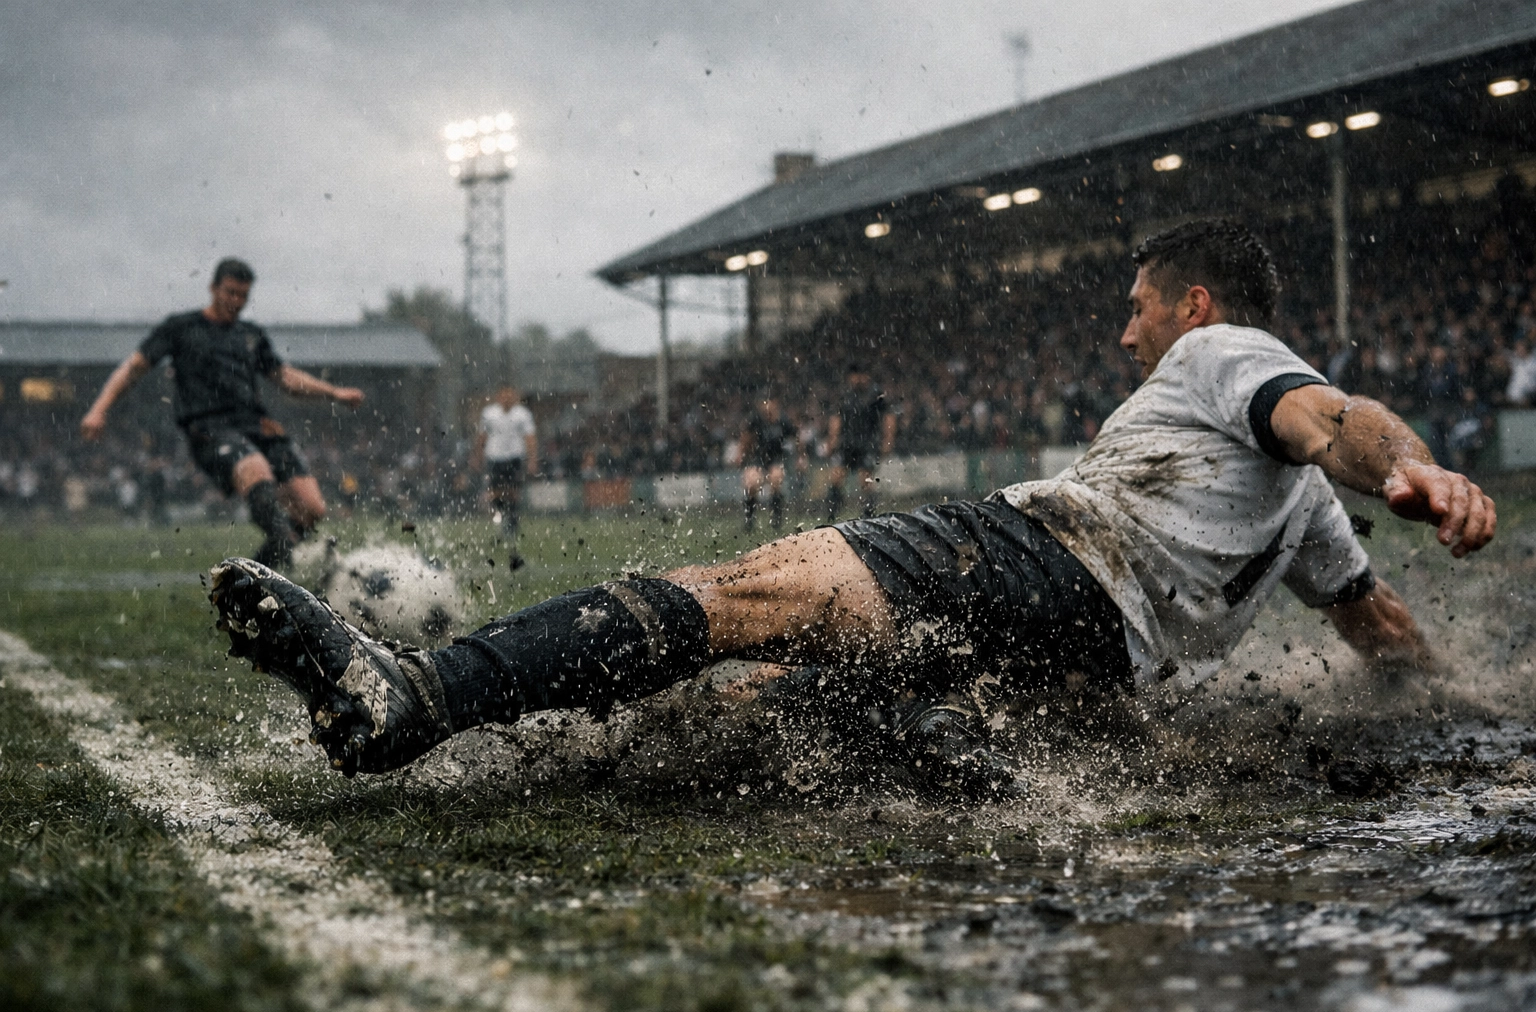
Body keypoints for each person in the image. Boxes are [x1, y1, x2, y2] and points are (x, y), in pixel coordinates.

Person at [207, 219, 1494, 783]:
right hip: (1093, 667)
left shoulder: (1224, 358)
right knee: (769, 711)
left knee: (742, 595)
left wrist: (1412, 467)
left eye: (1140, 307)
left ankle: (414, 701)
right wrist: (1461, 695)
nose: (1127, 332)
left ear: (1197, 308)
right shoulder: (1306, 515)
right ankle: (929, 745)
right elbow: (1379, 626)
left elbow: (1334, 420)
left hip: (1033, 558)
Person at [82, 258, 363, 567]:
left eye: (243, 295)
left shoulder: (250, 335)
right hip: (209, 427)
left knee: (312, 509)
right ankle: (286, 546)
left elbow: (284, 377)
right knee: (255, 469)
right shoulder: (182, 328)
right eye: (230, 293)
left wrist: (333, 393)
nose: (236, 301)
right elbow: (135, 366)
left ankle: (264, 573)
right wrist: (99, 408)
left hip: (257, 425)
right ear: (213, 288)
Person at [471, 385, 537, 569]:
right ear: (498, 396)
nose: (507, 397)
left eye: (510, 394)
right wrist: (476, 456)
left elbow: (530, 437)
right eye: (504, 394)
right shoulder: (489, 413)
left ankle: (511, 523)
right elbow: (482, 436)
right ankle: (503, 519)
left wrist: (532, 459)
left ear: (515, 396)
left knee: (514, 493)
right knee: (496, 493)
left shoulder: (522, 415)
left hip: (514, 458)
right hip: (495, 458)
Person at [824, 365, 897, 520]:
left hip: (868, 443)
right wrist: (832, 440)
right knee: (837, 476)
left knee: (865, 479)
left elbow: (889, 418)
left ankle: (869, 515)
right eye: (855, 375)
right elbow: (836, 418)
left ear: (867, 376)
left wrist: (888, 440)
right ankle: (832, 513)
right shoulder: (845, 395)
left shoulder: (876, 395)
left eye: (861, 375)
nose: (858, 379)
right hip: (846, 443)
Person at [739, 395, 796, 532]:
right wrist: (741, 456)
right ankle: (749, 519)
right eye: (764, 403)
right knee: (752, 483)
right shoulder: (755, 420)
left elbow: (795, 438)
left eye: (769, 402)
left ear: (775, 403)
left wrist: (800, 457)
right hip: (758, 458)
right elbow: (745, 439)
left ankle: (776, 518)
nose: (766, 406)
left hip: (777, 458)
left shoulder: (783, 420)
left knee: (776, 478)